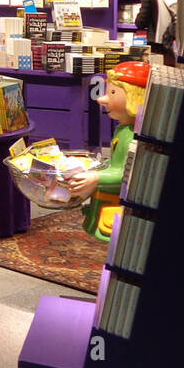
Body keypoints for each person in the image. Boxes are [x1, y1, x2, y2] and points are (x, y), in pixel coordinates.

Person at [66, 60, 150, 241]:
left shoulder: (132, 135)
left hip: (114, 204)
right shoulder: (124, 129)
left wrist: (96, 177)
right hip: (106, 200)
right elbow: (116, 165)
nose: (102, 99)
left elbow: (126, 173)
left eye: (112, 93)